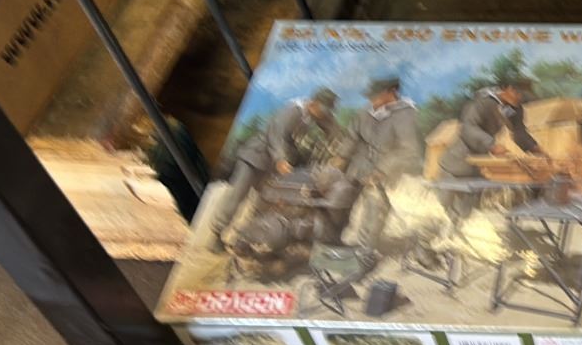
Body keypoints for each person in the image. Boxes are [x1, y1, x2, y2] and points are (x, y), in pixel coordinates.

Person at [210, 88, 340, 251]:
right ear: (313, 103)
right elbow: (276, 134)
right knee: (237, 196)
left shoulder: (311, 116)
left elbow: (330, 126)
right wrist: (280, 159)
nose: (323, 115)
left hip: (270, 166)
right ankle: (216, 235)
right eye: (322, 110)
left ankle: (245, 237)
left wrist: (338, 142)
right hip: (255, 157)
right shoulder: (292, 110)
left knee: (264, 203)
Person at [329, 77, 422, 250]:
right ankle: (333, 242)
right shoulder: (365, 111)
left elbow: (408, 150)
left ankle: (366, 250)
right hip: (357, 168)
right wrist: (341, 156)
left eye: (376, 95)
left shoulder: (405, 115)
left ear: (391, 93)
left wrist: (382, 170)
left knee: (374, 210)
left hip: (383, 174)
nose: (372, 100)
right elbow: (352, 137)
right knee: (340, 203)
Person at [435, 78, 543, 224]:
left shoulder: (514, 110)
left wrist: (536, 149)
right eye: (518, 93)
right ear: (507, 89)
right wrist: (491, 145)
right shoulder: (482, 102)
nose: (520, 98)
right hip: (455, 164)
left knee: (466, 214)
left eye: (523, 95)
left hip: (478, 167)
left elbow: (519, 133)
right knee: (443, 210)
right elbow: (468, 128)